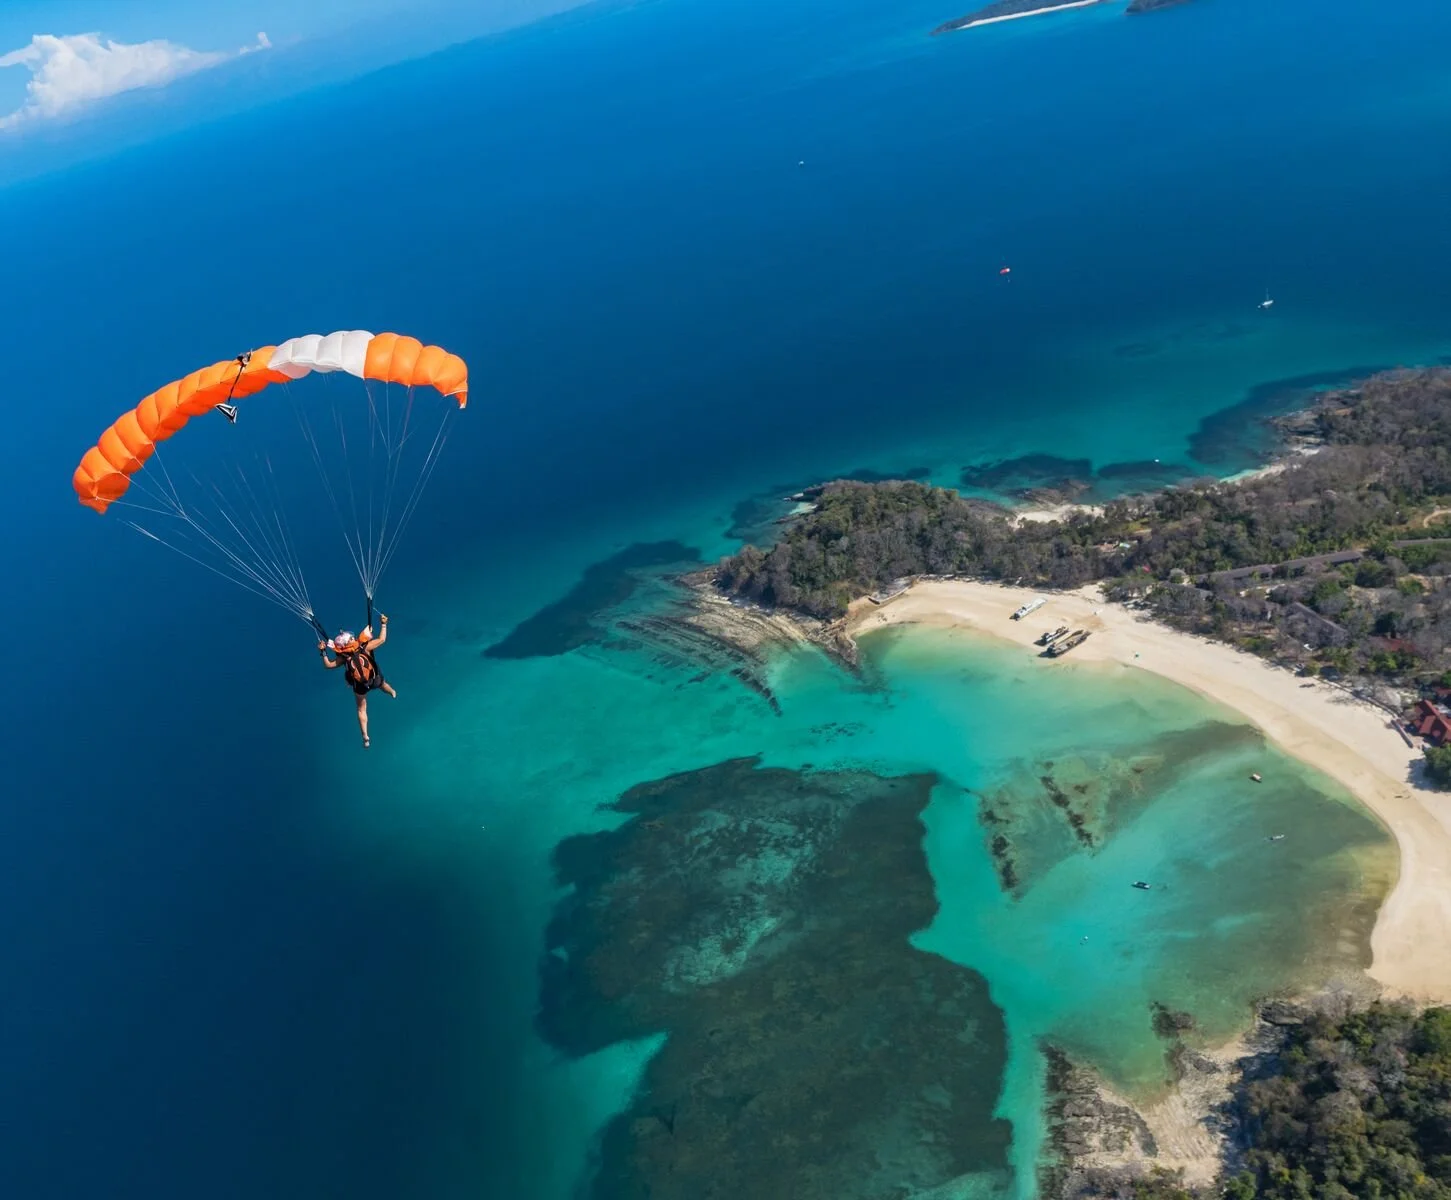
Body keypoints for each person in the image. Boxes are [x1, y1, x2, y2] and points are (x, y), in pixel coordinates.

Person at [319, 614, 396, 748]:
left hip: (360, 686)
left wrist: (323, 652)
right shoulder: (364, 648)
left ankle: (365, 736)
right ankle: (392, 693)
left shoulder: (343, 657)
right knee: (383, 685)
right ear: (352, 640)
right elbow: (382, 639)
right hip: (374, 678)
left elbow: (328, 665)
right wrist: (384, 624)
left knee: (361, 709)